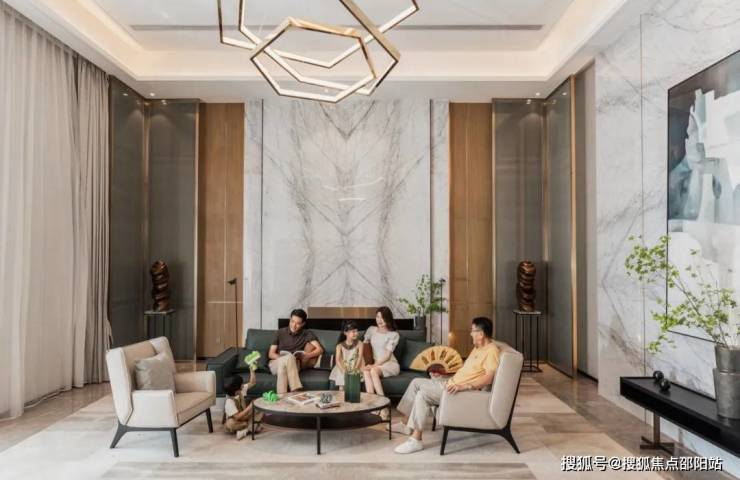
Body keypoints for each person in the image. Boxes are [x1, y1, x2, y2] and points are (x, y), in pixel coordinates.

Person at [392, 317, 500, 454]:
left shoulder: (492, 351)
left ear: (481, 334)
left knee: (423, 394)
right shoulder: (477, 349)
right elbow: (465, 372)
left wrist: (465, 387)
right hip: (450, 383)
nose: (470, 333)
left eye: (473, 331)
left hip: (458, 392)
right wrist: (444, 375)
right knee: (415, 382)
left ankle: (416, 439)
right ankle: (406, 424)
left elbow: (489, 378)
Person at [268, 308, 324, 394]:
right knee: (288, 359)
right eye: (292, 321)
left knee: (283, 368)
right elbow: (271, 354)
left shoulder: (307, 334)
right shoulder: (279, 332)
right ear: (290, 319)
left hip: (294, 364)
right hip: (276, 363)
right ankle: (296, 391)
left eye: (298, 323)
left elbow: (320, 349)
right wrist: (285, 358)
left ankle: (282, 397)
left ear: (303, 324)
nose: (294, 325)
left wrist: (308, 355)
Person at [363, 306, 400, 419]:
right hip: (377, 364)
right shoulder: (371, 330)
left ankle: (384, 407)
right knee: (366, 371)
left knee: (373, 370)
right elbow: (364, 345)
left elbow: (388, 356)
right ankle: (372, 405)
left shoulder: (393, 335)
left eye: (382, 318)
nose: (379, 320)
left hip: (390, 364)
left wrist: (374, 365)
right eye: (378, 317)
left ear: (388, 319)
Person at [223, 369, 262, 440]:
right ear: (236, 390)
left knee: (260, 407)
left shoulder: (240, 390)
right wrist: (249, 407)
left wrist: (252, 370)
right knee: (230, 424)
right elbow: (237, 417)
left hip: (245, 417)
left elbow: (252, 382)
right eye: (241, 384)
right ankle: (250, 427)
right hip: (237, 421)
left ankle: (245, 430)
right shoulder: (229, 401)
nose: (243, 385)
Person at [329, 320, 364, 389]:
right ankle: (341, 392)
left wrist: (355, 369)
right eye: (353, 331)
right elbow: (338, 360)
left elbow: (360, 358)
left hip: (356, 366)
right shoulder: (339, 346)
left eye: (356, 331)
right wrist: (343, 370)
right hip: (343, 366)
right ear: (345, 333)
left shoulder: (360, 344)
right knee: (341, 374)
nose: (356, 333)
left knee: (354, 376)